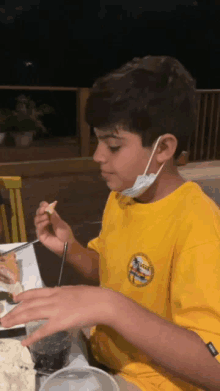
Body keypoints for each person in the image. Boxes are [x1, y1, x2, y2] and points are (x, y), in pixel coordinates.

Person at [1, 56, 220, 391]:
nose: (97, 156)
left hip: (154, 381)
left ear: (163, 148)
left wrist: (110, 306)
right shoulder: (122, 197)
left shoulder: (199, 226)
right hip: (104, 356)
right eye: (98, 140)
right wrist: (69, 248)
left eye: (113, 145)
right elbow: (109, 271)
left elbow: (212, 368)